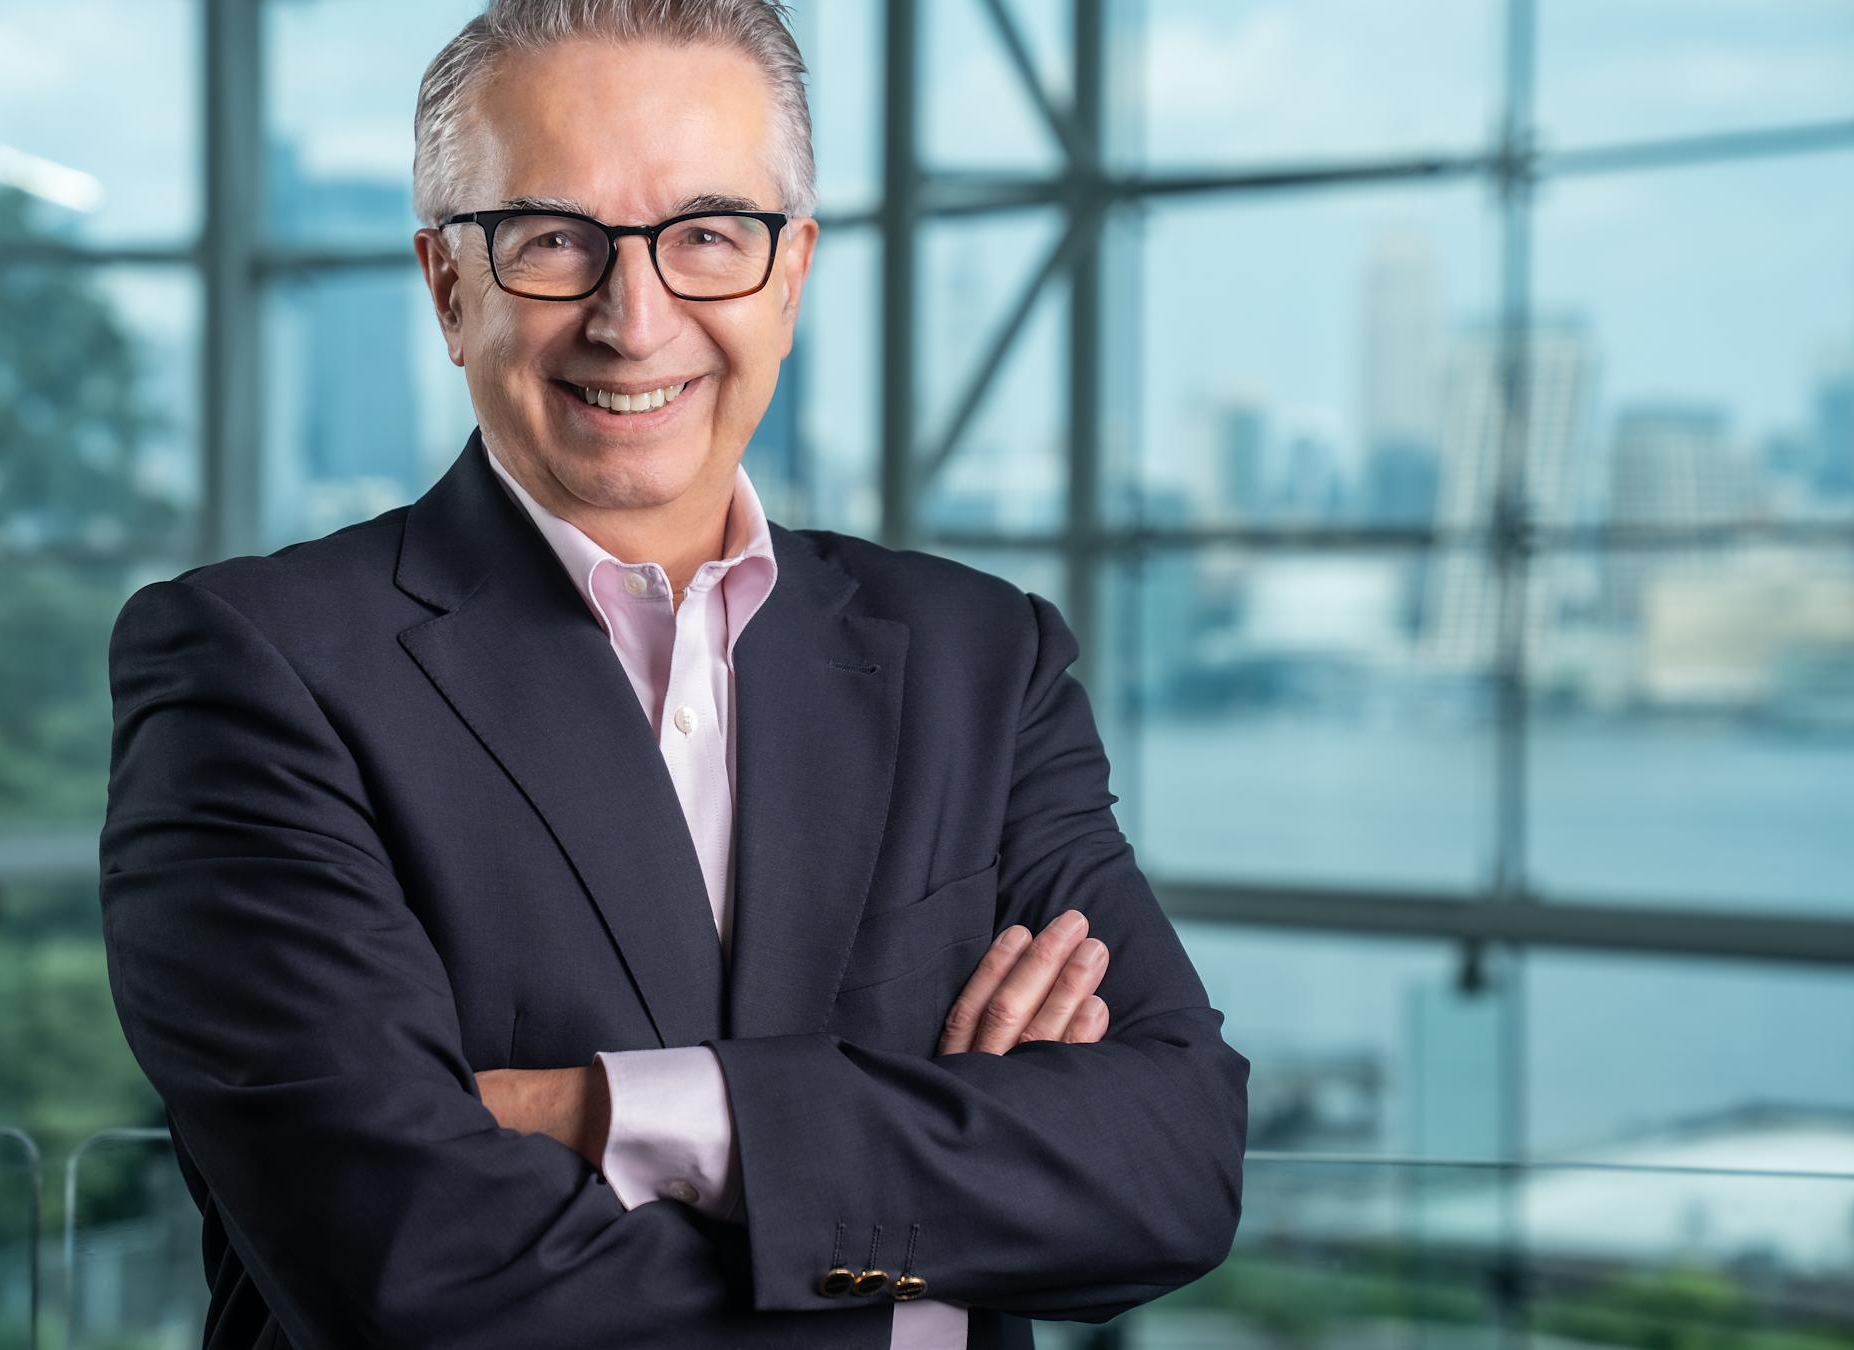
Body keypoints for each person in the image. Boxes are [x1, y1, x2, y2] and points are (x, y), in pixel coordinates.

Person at [98, 2, 1249, 1346]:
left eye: (708, 235)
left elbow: (1173, 1160)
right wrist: (922, 1269)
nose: (633, 319)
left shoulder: (981, 658)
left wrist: (611, 1111)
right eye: (553, 241)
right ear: (447, 285)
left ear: (793, 273)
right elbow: (409, 1271)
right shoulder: (256, 666)